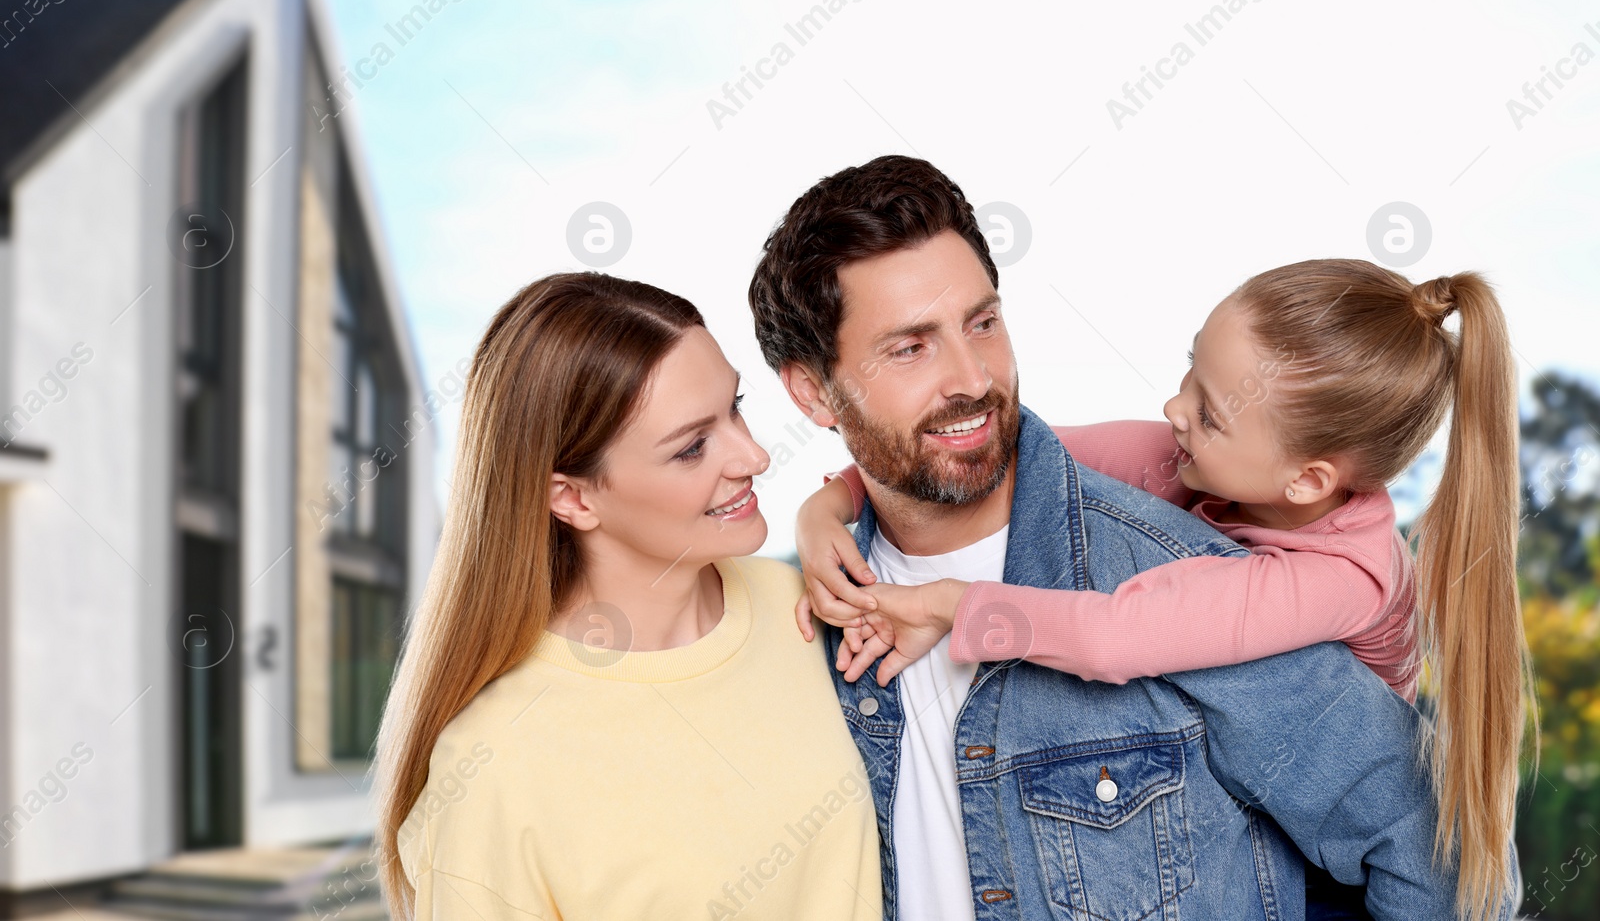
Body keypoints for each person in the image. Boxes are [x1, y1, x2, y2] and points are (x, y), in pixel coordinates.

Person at [747, 155, 1520, 920]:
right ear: (814, 392)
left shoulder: (1228, 590)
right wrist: (826, 509)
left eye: (983, 322)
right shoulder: (789, 624)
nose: (973, 377)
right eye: (911, 347)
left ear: (1311, 479)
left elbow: (1451, 871)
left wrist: (954, 606)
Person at [373, 273, 882, 920]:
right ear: (574, 498)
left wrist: (833, 501)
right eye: (692, 447)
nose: (754, 456)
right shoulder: (494, 770)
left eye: (736, 407)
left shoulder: (808, 606)